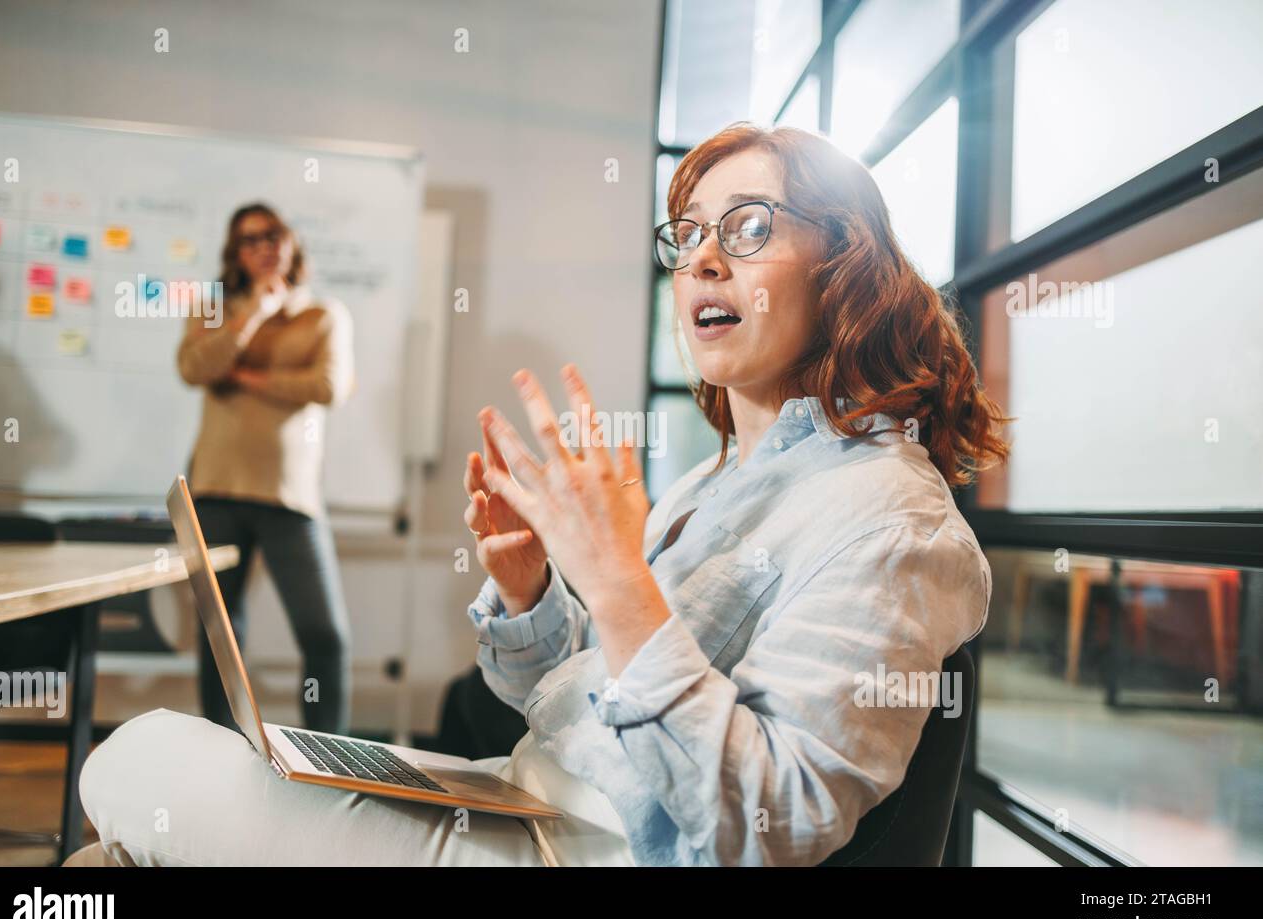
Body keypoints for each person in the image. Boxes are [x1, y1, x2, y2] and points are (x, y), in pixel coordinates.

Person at [75, 124, 1008, 866]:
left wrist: (620, 585)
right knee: (147, 812)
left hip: (582, 850)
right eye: (687, 234)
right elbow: (573, 702)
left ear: (844, 265)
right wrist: (534, 595)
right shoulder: (712, 482)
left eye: (750, 226)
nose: (704, 259)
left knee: (139, 756)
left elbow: (772, 825)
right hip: (524, 797)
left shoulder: (893, 522)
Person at [176, 202, 355, 735]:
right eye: (249, 240)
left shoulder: (324, 315)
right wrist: (252, 315)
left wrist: (248, 378)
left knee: (325, 636)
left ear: (290, 240)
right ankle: (222, 751)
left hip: (289, 495)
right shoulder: (214, 307)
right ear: (236, 252)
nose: (262, 246)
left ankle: (332, 765)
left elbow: (328, 387)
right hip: (215, 488)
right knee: (221, 637)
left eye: (271, 234)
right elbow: (194, 368)